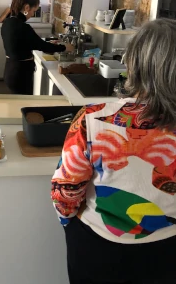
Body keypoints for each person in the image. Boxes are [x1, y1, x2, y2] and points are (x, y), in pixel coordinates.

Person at [51, 18, 176, 284]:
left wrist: (68, 223)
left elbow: (65, 193)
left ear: (134, 62)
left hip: (99, 248)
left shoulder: (93, 119)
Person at [1, 0, 74, 94]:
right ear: (26, 8)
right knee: (24, 105)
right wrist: (65, 47)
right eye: (33, 11)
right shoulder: (23, 27)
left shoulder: (7, 22)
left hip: (9, 71)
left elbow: (23, 44)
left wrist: (48, 44)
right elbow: (43, 46)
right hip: (20, 75)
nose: (32, 14)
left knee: (17, 104)